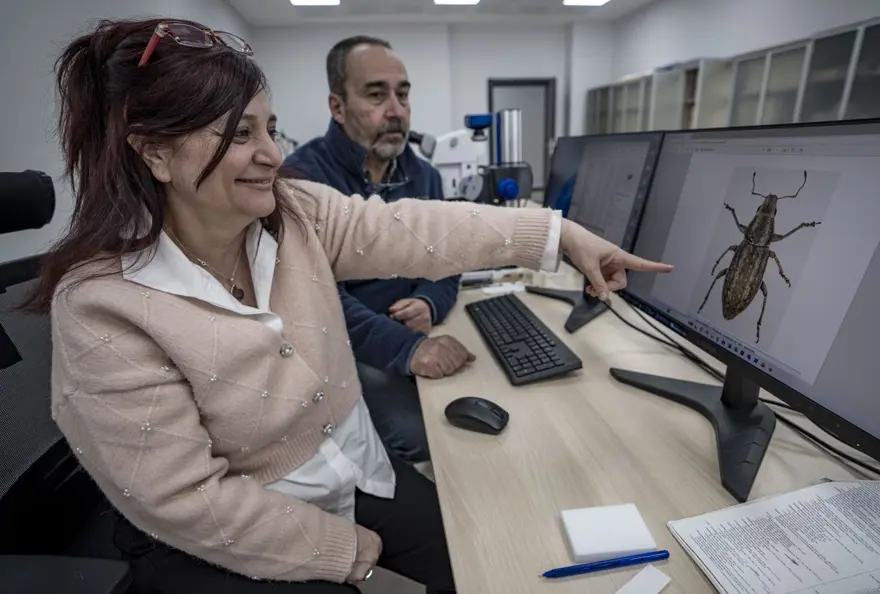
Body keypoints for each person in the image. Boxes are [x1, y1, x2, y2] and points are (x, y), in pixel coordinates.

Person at [29, 18, 672, 594]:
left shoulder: (294, 214)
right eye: (241, 133)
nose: (272, 155)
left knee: (487, 555)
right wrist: (347, 552)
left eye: (270, 129)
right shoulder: (103, 307)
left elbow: (414, 229)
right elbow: (187, 500)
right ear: (154, 151)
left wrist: (558, 235)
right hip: (231, 526)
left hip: (351, 469)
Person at [282, 36, 462, 465]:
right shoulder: (301, 180)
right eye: (377, 95)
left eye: (403, 95)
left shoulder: (426, 177)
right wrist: (406, 348)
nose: (396, 110)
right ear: (338, 107)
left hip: (413, 334)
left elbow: (448, 263)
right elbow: (315, 298)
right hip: (346, 348)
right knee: (426, 436)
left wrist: (429, 301)